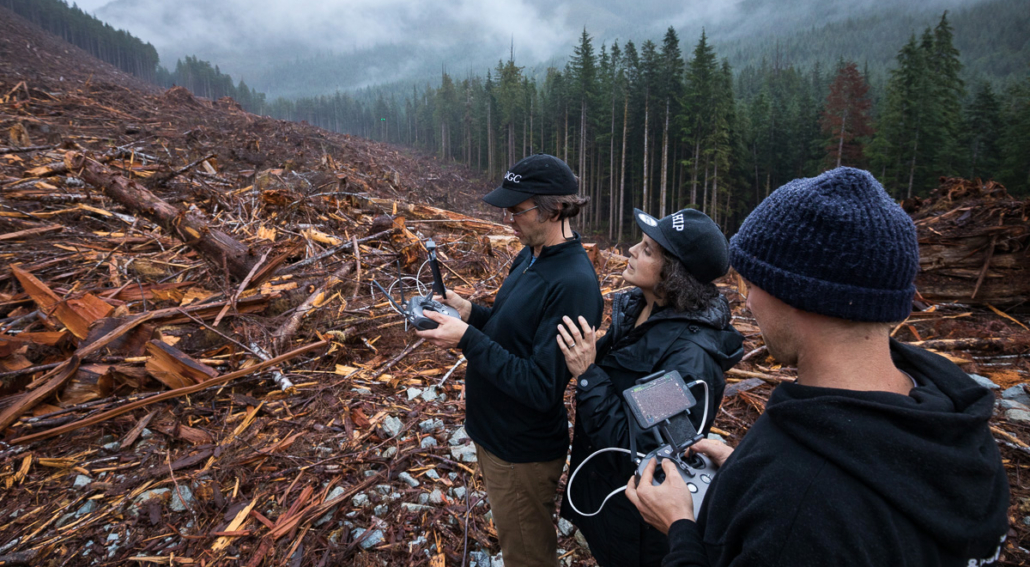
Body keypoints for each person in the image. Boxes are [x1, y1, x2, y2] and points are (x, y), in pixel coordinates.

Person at [625, 167, 1011, 567]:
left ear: (794, 293)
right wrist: (747, 472)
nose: (749, 302)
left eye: (753, 284)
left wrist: (682, 530)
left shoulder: (796, 504)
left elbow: (809, 506)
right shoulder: (957, 423)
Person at [417, 153, 604, 567]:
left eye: (516, 210)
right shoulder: (531, 255)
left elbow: (540, 387)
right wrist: (470, 312)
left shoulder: (573, 284)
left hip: (522, 453)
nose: (508, 220)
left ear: (552, 208)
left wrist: (466, 338)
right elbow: (509, 331)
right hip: (495, 436)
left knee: (527, 557)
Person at [556, 208, 743, 567]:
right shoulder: (639, 308)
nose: (630, 251)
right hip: (605, 495)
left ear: (673, 274)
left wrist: (587, 373)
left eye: (646, 249)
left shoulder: (689, 358)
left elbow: (639, 445)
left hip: (636, 523)